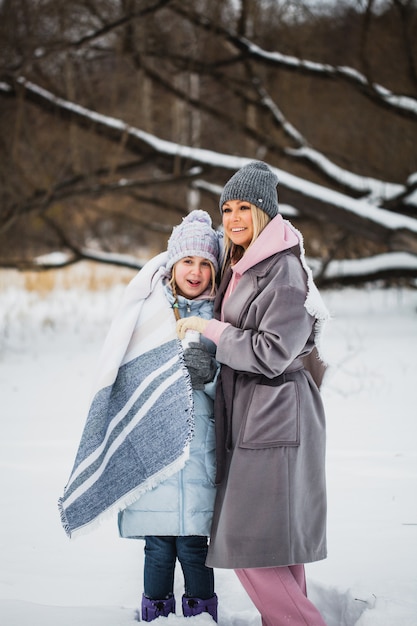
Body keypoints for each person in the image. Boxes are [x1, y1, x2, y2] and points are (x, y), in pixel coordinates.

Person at [176, 161, 330, 626]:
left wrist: (213, 330)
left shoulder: (282, 268)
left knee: (247, 542)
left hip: (276, 411)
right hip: (258, 413)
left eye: (245, 207)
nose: (234, 217)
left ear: (265, 211)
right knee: (276, 544)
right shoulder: (245, 262)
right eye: (227, 208)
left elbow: (272, 352)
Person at [59, 210, 220, 622]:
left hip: (200, 452)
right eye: (188, 261)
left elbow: (234, 387)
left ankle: (202, 614)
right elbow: (125, 371)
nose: (196, 271)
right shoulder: (150, 314)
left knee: (195, 545)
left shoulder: (220, 318)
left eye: (205, 263)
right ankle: (156, 613)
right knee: (158, 545)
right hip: (154, 448)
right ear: (172, 265)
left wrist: (212, 373)